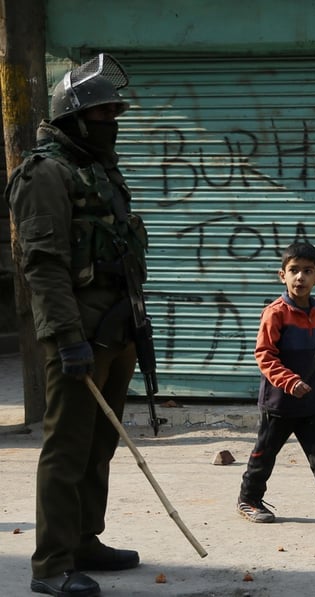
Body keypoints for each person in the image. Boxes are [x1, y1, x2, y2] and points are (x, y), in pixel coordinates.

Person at [5, 54, 147, 597]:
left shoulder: (98, 166)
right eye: (104, 113)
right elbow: (43, 266)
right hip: (78, 336)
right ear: (74, 118)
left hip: (115, 328)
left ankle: (85, 540)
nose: (113, 121)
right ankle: (51, 565)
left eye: (115, 112)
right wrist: (67, 339)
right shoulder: (45, 174)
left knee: (98, 445)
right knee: (66, 450)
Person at [236, 241, 315, 531]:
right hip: (278, 403)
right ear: (282, 275)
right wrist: (290, 382)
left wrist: (307, 387)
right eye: (293, 270)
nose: (300, 278)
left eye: (307, 271)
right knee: (264, 455)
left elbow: (314, 350)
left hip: (310, 402)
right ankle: (249, 500)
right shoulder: (276, 312)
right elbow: (264, 355)